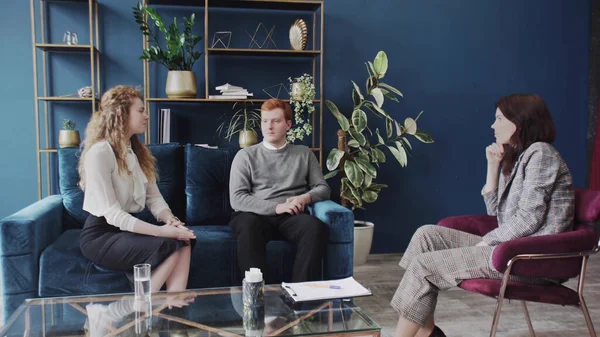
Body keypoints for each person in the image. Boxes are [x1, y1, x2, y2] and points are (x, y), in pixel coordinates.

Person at [391, 94, 575, 337]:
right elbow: (497, 214)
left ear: (519, 121)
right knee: (426, 236)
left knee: (424, 265)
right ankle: (427, 331)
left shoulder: (541, 154)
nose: (492, 125)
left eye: (499, 118)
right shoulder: (521, 155)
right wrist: (493, 165)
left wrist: (487, 241)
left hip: (530, 258)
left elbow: (530, 218)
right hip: (511, 249)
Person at [78, 85, 196, 293]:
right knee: (168, 244)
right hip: (101, 235)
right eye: (140, 110)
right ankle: (140, 307)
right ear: (121, 114)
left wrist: (170, 220)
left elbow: (155, 199)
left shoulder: (137, 153)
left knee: (184, 240)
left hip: (126, 230)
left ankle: (175, 309)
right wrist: (161, 232)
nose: (146, 116)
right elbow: (113, 215)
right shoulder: (99, 153)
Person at [228, 98, 331, 282]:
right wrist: (277, 207)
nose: (269, 126)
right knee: (247, 225)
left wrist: (304, 198)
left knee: (315, 228)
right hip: (254, 215)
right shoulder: (245, 156)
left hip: (290, 216)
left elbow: (323, 188)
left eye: (275, 121)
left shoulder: (304, 153)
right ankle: (257, 296)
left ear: (288, 124)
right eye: (265, 121)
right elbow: (237, 199)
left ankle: (300, 296)